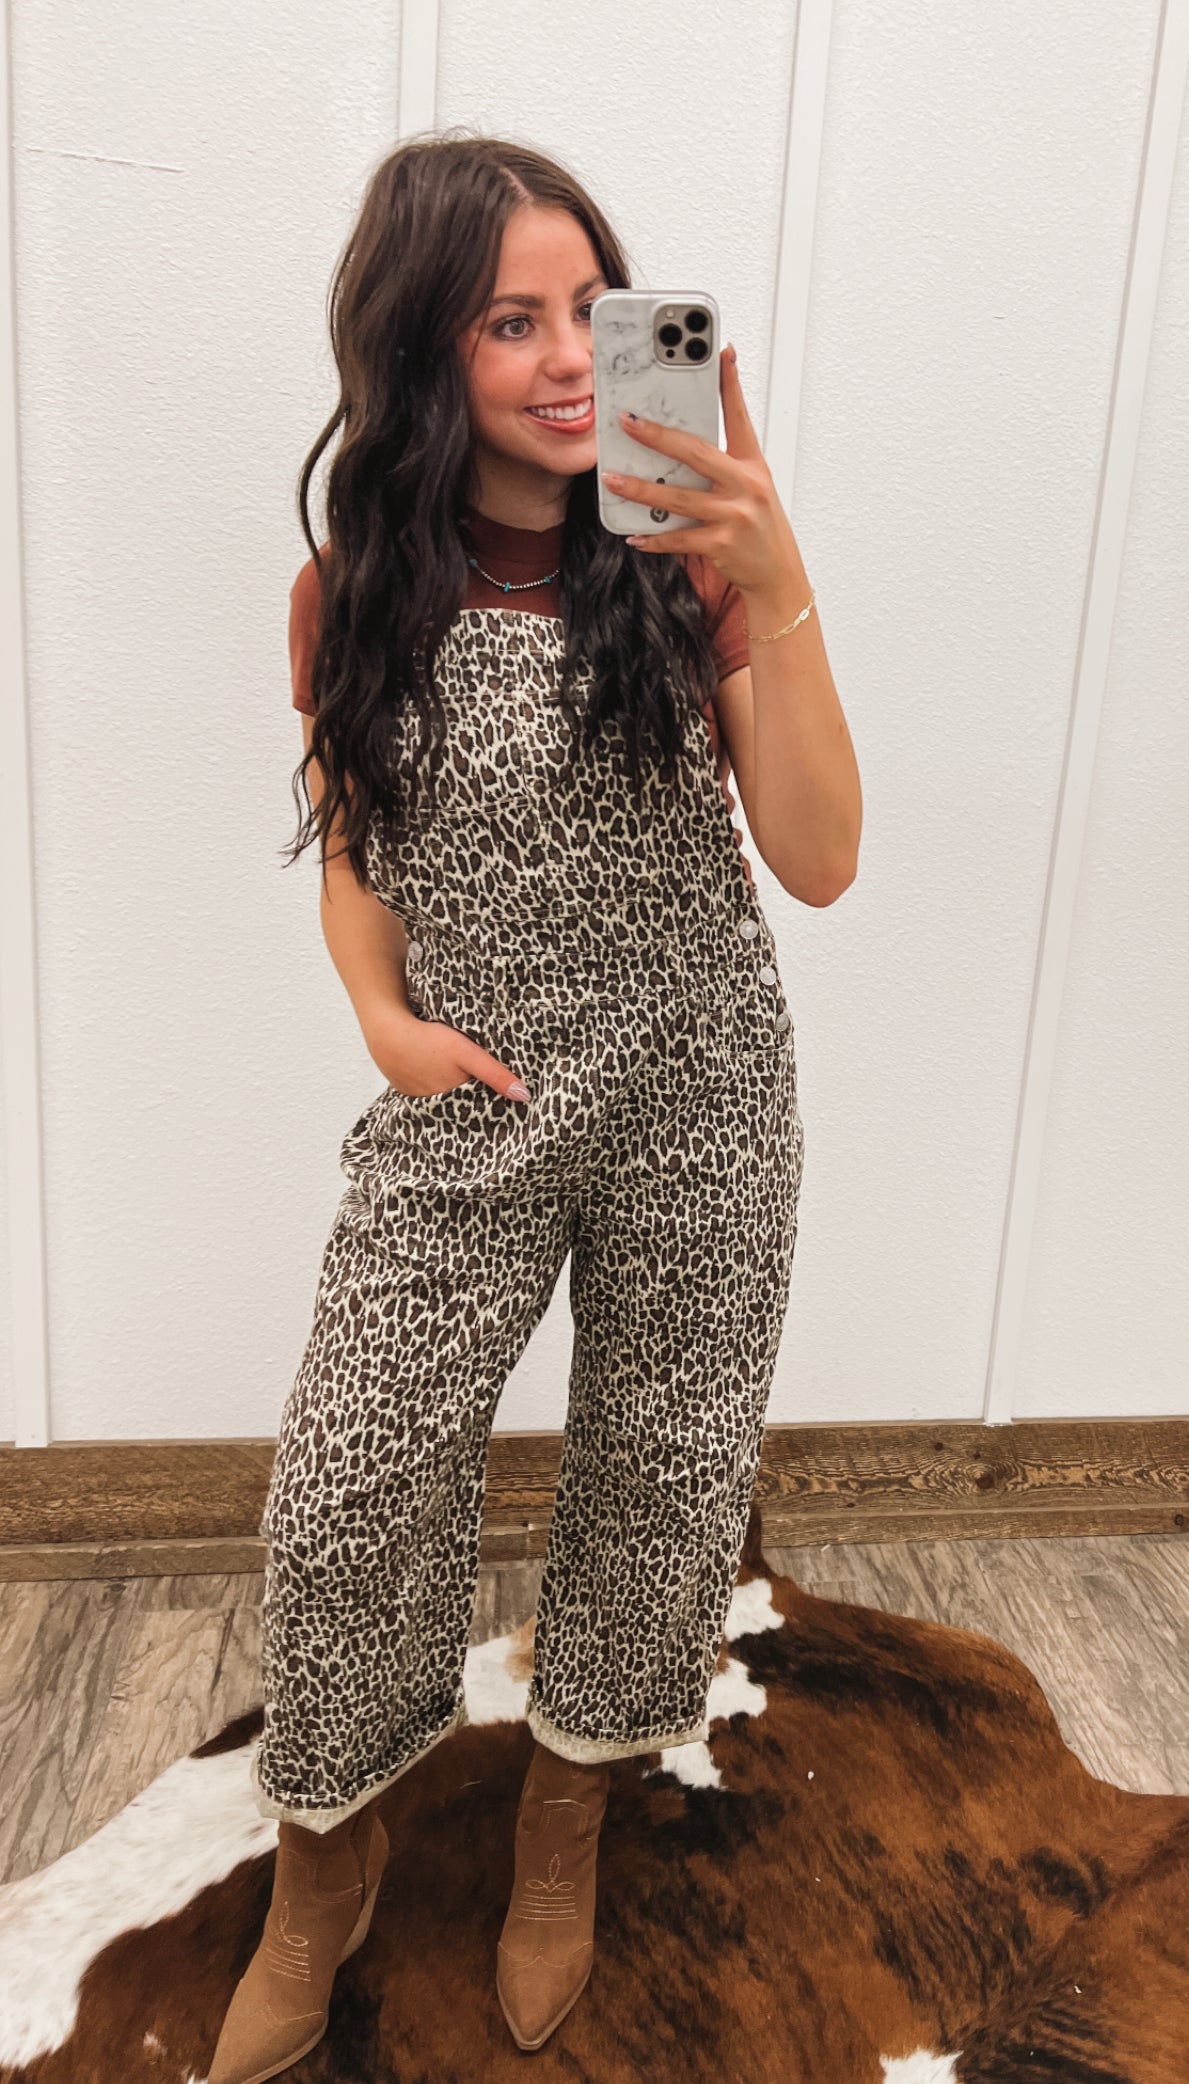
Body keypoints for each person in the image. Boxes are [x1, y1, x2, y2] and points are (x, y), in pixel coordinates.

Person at [209, 129, 859, 2084]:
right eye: (511, 321)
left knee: (660, 1475)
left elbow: (818, 860)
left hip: (698, 1088)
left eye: (592, 307)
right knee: (347, 1484)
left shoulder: (685, 566)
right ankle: (321, 1876)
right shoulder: (351, 594)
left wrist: (779, 585)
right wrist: (380, 1017)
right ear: (422, 348)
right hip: (473, 1092)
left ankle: (561, 1823)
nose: (573, 356)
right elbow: (354, 846)